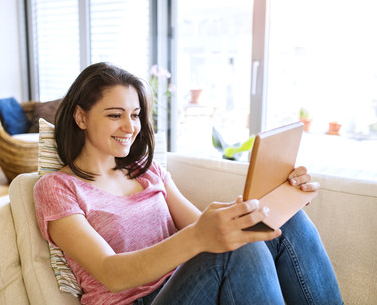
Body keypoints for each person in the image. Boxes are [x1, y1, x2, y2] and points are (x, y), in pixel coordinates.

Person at [34, 62, 343, 305]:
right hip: (136, 300)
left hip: (190, 285)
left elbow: (203, 225)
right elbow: (111, 272)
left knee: (288, 222)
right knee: (235, 250)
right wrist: (200, 237)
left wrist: (278, 200)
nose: (130, 127)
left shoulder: (145, 170)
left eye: (136, 114)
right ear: (81, 117)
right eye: (115, 115)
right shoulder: (57, 188)